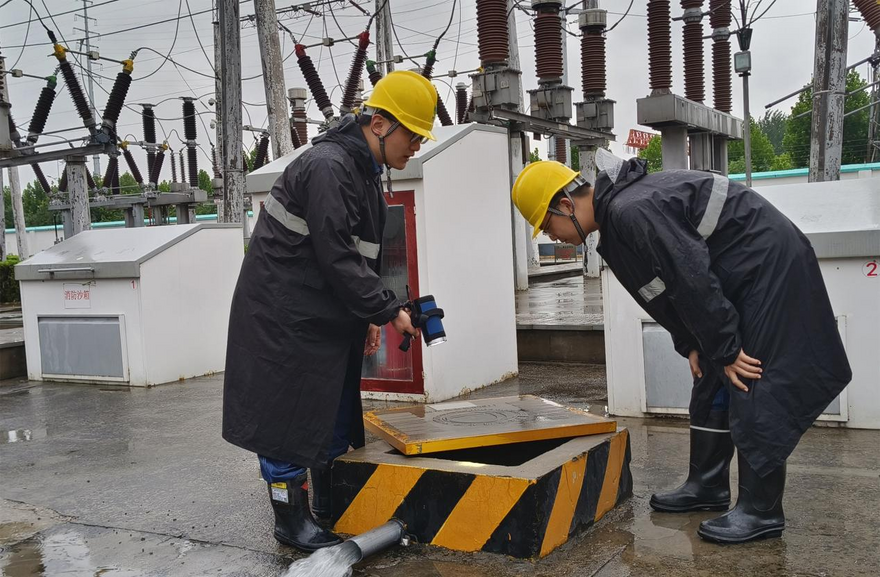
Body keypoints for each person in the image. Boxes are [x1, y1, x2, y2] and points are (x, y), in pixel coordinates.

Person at [511, 154, 851, 544]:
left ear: (567, 205)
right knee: (710, 370)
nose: (552, 237)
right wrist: (694, 343)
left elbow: (690, 277)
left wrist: (724, 347)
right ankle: (708, 485)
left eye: (548, 226)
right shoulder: (616, 221)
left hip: (769, 267)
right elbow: (661, 291)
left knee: (749, 377)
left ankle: (762, 511)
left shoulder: (631, 209)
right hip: (737, 277)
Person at [222, 71, 437, 552]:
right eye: (413, 134)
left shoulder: (360, 173)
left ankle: (323, 508)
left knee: (322, 414)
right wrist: (386, 311)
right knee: (285, 421)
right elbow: (336, 256)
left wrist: (366, 316)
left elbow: (357, 259)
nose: (417, 146)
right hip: (285, 315)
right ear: (380, 124)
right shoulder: (328, 167)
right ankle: (290, 521)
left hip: (318, 316)